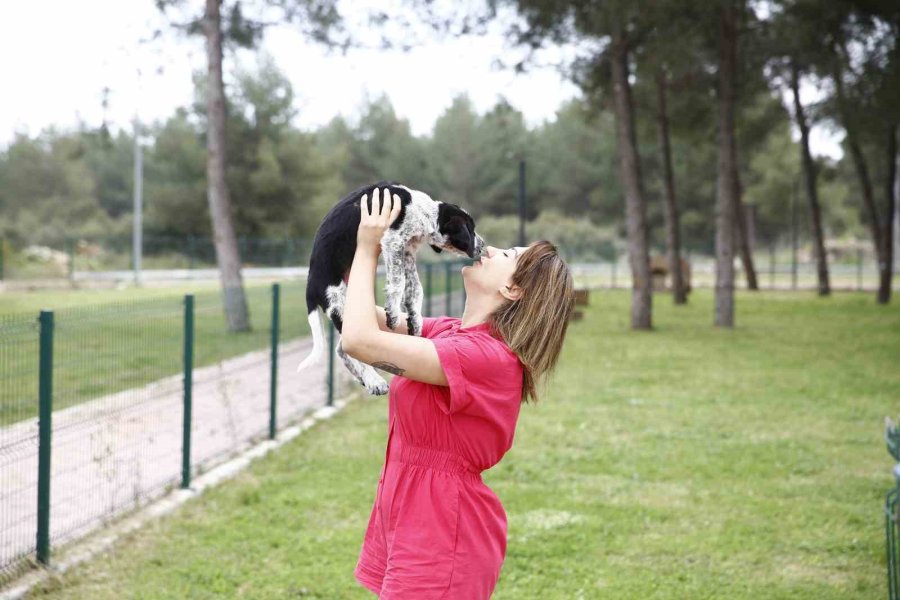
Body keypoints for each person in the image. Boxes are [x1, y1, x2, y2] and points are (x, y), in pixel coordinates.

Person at [340, 187, 575, 598]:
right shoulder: (452, 332)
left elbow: (360, 340)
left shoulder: (486, 357)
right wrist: (362, 238)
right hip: (409, 513)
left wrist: (369, 249)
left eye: (507, 255)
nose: (491, 248)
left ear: (513, 290)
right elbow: (354, 315)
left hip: (443, 534)